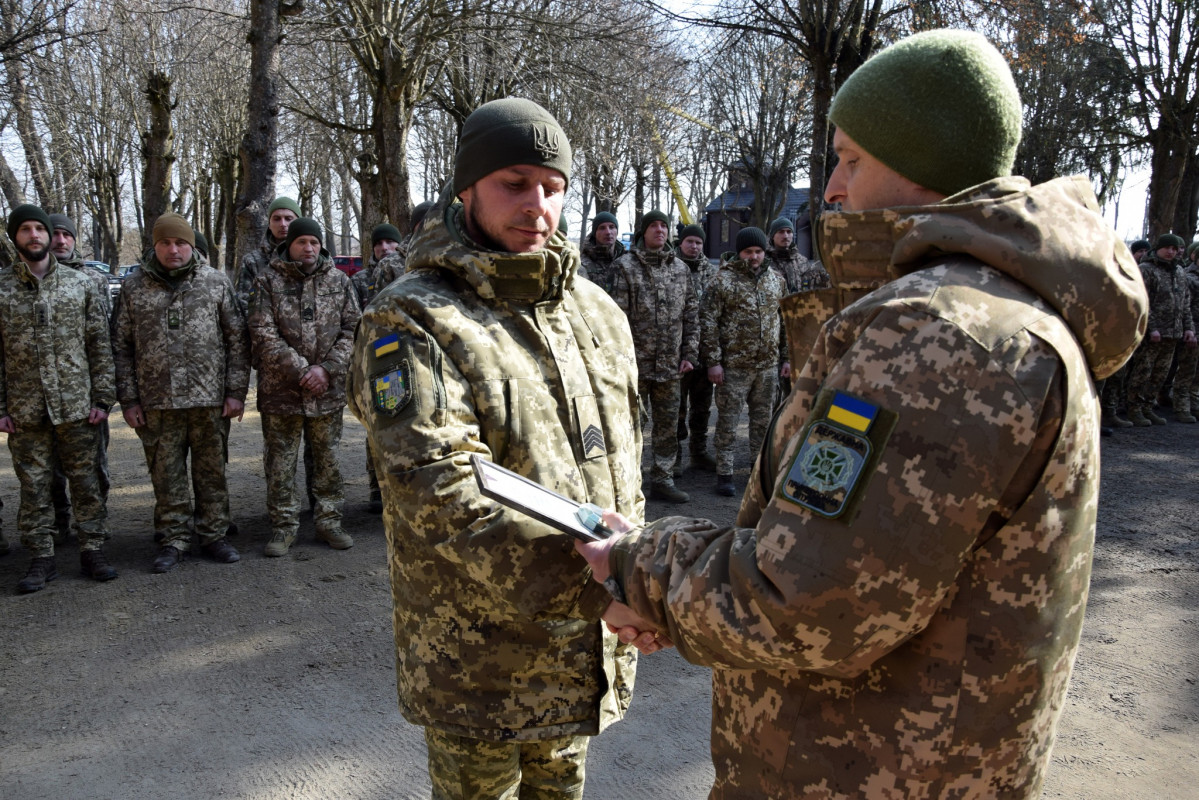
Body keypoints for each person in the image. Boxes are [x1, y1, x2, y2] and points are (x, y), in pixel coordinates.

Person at [576, 30, 1148, 798]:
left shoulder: (937, 332)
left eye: (849, 160)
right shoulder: (1002, 311)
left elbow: (809, 602)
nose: (833, 191)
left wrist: (639, 565)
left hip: (859, 770)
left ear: (919, 161)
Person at [347, 97, 652, 800]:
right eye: (514, 183)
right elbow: (436, 489)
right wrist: (600, 591)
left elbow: (623, 466)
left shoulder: (595, 311)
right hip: (479, 661)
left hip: (583, 650)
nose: (536, 205)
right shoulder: (412, 317)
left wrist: (637, 579)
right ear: (467, 188)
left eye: (552, 187)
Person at [112, 213, 249, 572]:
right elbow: (121, 347)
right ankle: (173, 539)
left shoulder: (215, 282)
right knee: (166, 475)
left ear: (191, 245)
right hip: (157, 402)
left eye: (180, 243)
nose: (173, 250)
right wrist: (129, 399)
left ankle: (213, 534)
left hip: (209, 401)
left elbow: (237, 340)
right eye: (165, 243)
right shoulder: (134, 287)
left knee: (211, 472)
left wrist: (235, 392)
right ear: (154, 246)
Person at [0, 204, 118, 592]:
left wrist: (103, 399)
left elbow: (99, 344)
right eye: (25, 229)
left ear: (50, 236)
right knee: (34, 487)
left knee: (86, 482)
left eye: (40, 228)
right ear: (14, 237)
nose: (34, 235)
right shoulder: (2, 288)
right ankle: (41, 557)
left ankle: (92, 549)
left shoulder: (79, 284)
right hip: (26, 410)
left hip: (77, 407)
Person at [249, 218, 359, 557]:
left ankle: (329, 521)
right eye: (301, 242)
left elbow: (353, 329)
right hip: (281, 392)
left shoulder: (339, 281)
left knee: (328, 460)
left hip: (327, 392)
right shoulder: (267, 281)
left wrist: (326, 370)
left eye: (313, 242)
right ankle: (283, 526)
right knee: (280, 463)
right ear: (289, 245)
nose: (308, 248)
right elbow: (263, 332)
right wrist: (302, 371)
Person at [610, 210, 699, 503]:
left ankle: (663, 479)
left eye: (664, 226)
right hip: (635, 365)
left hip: (671, 366)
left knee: (667, 427)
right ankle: (629, 483)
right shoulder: (624, 267)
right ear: (643, 231)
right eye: (654, 226)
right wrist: (620, 361)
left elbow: (691, 314)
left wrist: (689, 353)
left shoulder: (680, 269)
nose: (660, 230)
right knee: (630, 427)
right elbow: (616, 319)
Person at [702, 226, 788, 497]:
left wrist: (786, 358)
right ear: (739, 253)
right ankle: (724, 473)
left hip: (767, 367)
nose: (754, 257)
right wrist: (714, 361)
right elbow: (708, 322)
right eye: (748, 251)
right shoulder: (722, 281)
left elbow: (784, 322)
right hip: (733, 368)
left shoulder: (776, 281)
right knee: (727, 422)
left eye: (758, 251)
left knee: (763, 422)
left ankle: (757, 470)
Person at [47, 213, 112, 542]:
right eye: (55, 234)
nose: (61, 241)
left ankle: (93, 523)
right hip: (41, 394)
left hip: (85, 393)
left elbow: (105, 338)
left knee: (93, 464)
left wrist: (104, 394)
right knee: (48, 469)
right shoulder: (24, 280)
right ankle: (58, 522)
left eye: (67, 235)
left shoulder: (93, 279)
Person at [351, 222, 404, 513]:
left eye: (390, 242)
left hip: (399, 356)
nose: (384, 248)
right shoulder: (361, 280)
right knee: (374, 423)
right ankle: (375, 487)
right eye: (379, 244)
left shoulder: (408, 272)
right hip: (370, 358)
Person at [1125, 233, 1195, 426]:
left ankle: (1148, 407)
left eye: (1174, 249)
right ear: (1158, 248)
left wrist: (1188, 328)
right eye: (1167, 248)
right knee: (1143, 371)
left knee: (1160, 374)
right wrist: (1152, 328)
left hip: (1173, 333)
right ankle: (1134, 409)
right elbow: (1143, 301)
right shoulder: (1146, 270)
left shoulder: (1179, 271)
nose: (1171, 252)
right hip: (1152, 335)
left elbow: (1185, 303)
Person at [674, 224, 718, 471]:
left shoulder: (711, 272)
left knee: (702, 407)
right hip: (677, 353)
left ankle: (698, 452)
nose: (694, 246)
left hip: (704, 351)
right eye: (689, 241)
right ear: (681, 242)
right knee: (676, 409)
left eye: (698, 242)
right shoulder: (671, 268)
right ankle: (674, 458)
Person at [236, 196, 299, 316]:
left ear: (298, 222)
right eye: (277, 219)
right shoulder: (252, 261)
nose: (283, 224)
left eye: (288, 219)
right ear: (269, 223)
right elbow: (243, 304)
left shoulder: (312, 258)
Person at [374, 200, 435, 289]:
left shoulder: (451, 256)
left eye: (434, 225)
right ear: (414, 230)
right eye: (422, 226)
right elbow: (379, 297)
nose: (427, 231)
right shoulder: (388, 264)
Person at [577, 211, 625, 293]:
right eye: (602, 228)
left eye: (612, 227)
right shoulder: (581, 264)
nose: (608, 232)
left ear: (617, 231)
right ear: (595, 233)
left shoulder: (626, 261)